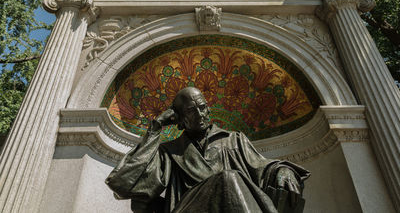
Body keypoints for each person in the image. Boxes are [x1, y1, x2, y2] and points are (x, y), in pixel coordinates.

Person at [106, 87, 310, 213]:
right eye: (191, 110)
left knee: (230, 179)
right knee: (227, 179)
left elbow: (262, 169)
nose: (200, 114)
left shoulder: (234, 140)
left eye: (202, 107)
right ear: (177, 118)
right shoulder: (169, 151)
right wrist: (155, 128)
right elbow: (123, 184)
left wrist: (282, 170)